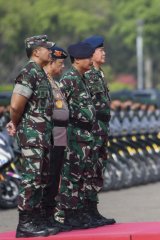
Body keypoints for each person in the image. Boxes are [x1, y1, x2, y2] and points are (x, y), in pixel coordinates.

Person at [6, 35, 60, 237]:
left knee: (41, 177)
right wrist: (16, 122)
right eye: (47, 48)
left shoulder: (39, 73)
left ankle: (36, 220)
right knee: (31, 178)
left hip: (42, 134)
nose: (50, 52)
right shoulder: (28, 72)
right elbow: (16, 105)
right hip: (32, 134)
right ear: (36, 51)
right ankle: (25, 224)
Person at [54, 42, 96, 229]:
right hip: (73, 134)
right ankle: (67, 214)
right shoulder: (69, 78)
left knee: (80, 175)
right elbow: (60, 107)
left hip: (84, 134)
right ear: (77, 59)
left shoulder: (82, 77)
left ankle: (77, 212)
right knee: (70, 175)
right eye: (88, 58)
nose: (90, 61)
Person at [82, 35, 115, 225]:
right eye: (100, 50)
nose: (104, 53)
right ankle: (85, 211)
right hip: (92, 128)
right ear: (91, 53)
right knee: (88, 169)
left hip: (102, 127)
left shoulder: (99, 73)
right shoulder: (87, 74)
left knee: (98, 169)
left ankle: (93, 210)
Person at [42, 46, 72, 232]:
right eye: (60, 64)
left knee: (55, 178)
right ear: (50, 62)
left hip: (60, 136)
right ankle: (44, 217)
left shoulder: (53, 82)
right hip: (50, 136)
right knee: (47, 178)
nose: (62, 68)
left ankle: (51, 216)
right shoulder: (43, 81)